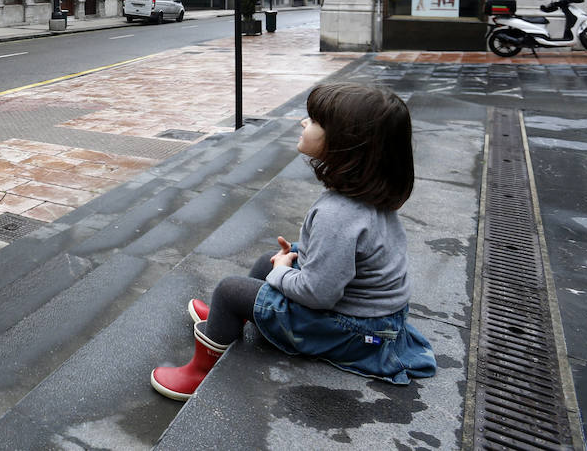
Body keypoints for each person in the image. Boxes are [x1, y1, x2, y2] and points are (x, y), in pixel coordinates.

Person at [150, 82, 436, 401]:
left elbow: (318, 294)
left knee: (230, 291)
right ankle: (230, 319)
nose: (303, 122)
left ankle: (201, 372)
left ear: (346, 145)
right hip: (375, 321)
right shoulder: (369, 199)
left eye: (315, 121)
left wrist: (282, 273)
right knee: (265, 261)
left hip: (356, 333)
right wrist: (296, 256)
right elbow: (355, 260)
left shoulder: (338, 214)